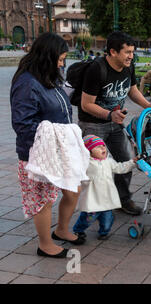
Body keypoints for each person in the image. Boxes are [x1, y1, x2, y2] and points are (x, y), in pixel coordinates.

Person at [11, 33, 85, 258]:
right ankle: (45, 244)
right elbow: (23, 124)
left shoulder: (49, 76)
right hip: (37, 152)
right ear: (47, 56)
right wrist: (52, 139)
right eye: (60, 59)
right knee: (43, 199)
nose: (62, 63)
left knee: (73, 189)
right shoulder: (27, 83)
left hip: (60, 148)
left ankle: (62, 229)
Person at [78, 31, 151, 216]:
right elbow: (86, 104)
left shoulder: (128, 67)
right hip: (93, 124)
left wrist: (147, 104)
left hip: (116, 123)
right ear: (113, 52)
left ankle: (123, 200)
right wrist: (109, 115)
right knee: (94, 167)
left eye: (132, 51)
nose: (131, 55)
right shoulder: (97, 69)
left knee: (125, 160)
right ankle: (93, 206)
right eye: (127, 52)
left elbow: (132, 90)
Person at [73, 135, 137, 240]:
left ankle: (104, 232)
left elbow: (120, 168)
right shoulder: (85, 164)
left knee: (108, 219)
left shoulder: (109, 161)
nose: (103, 148)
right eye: (98, 147)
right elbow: (77, 175)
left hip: (107, 199)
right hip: (92, 200)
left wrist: (132, 162)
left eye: (103, 145)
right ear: (88, 151)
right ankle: (78, 230)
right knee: (87, 219)